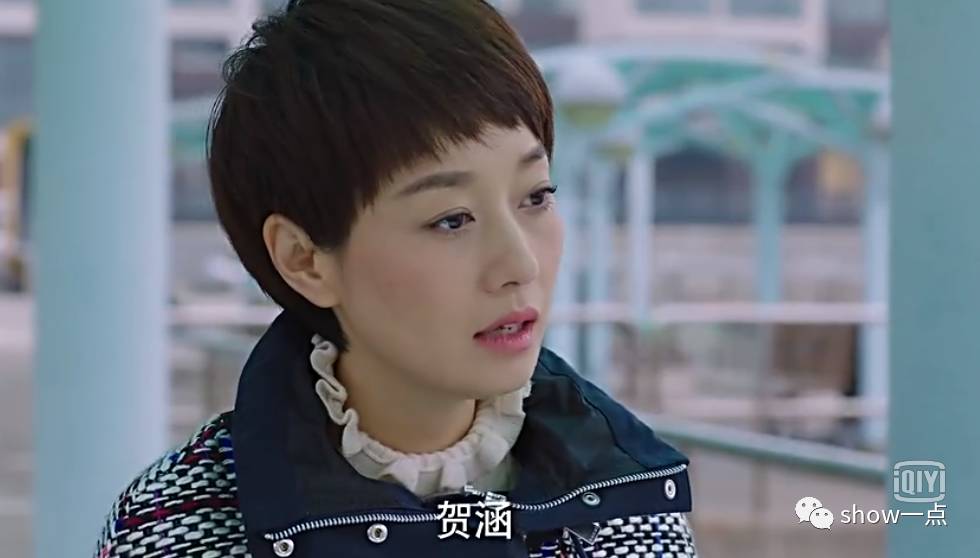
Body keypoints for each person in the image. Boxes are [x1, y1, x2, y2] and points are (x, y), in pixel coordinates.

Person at [94, 1, 699, 556]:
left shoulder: (629, 508)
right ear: (304, 260)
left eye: (536, 196)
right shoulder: (179, 528)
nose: (521, 265)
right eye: (451, 220)